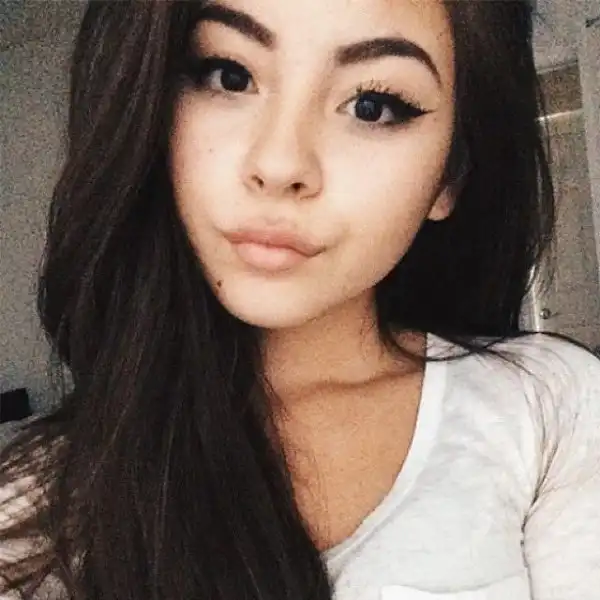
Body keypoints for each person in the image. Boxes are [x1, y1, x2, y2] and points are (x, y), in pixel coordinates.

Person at [1, 0, 599, 598]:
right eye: (230, 75)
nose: (280, 164)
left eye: (373, 106)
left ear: (450, 175)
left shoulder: (547, 406)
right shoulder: (35, 514)